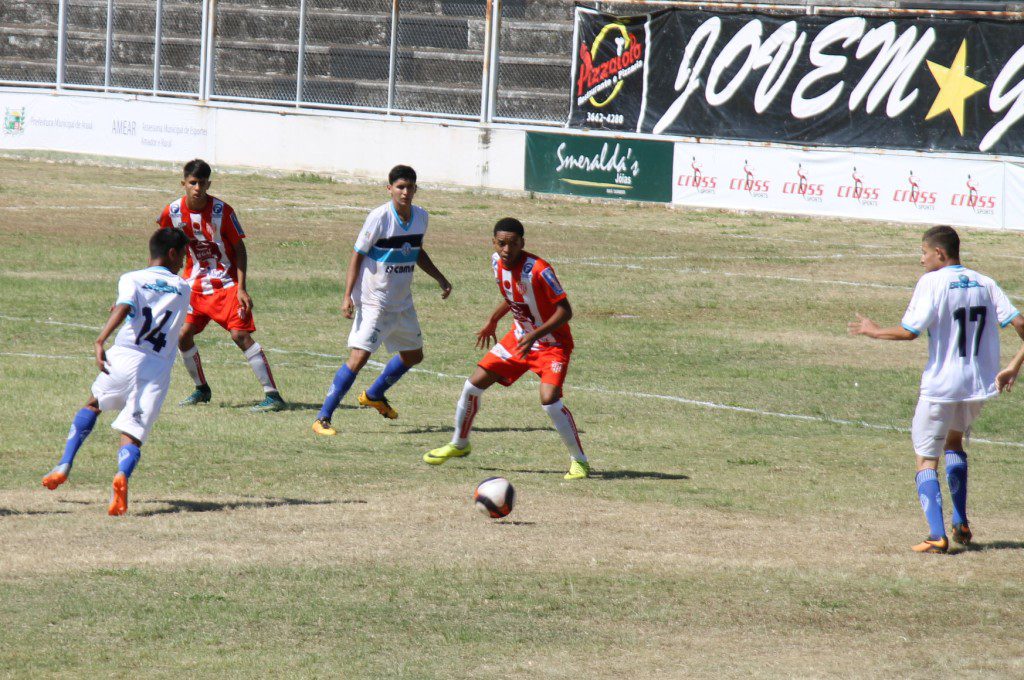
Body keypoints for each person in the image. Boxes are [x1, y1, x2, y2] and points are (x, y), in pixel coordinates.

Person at [849, 225, 1024, 553]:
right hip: (977, 386)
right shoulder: (985, 282)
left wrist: (874, 331)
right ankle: (961, 520)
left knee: (926, 459)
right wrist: (1014, 365)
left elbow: (909, 331)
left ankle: (936, 535)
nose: (921, 259)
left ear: (939, 254)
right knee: (954, 443)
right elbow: (1021, 323)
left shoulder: (931, 282)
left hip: (941, 386)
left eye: (924, 252)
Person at [423, 217, 592, 480]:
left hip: (552, 345)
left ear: (522, 243)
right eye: (501, 243)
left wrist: (535, 334)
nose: (507, 249)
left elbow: (565, 311)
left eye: (513, 244)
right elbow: (513, 296)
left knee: (549, 400)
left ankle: (579, 461)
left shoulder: (540, 270)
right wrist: (493, 320)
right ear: (494, 242)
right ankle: (459, 443)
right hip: (519, 339)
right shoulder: (495, 263)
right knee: (472, 386)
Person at [41, 229, 192, 515]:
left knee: (93, 404)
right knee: (133, 431)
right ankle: (122, 474)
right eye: (182, 256)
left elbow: (126, 306)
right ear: (172, 253)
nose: (183, 262)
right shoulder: (184, 288)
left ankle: (64, 463)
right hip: (157, 366)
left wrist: (100, 340)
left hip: (124, 356)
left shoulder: (131, 278)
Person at [313, 164, 452, 435]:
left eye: (410, 187)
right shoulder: (379, 217)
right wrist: (347, 296)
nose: (405, 192)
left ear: (416, 189)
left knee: (413, 355)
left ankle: (374, 394)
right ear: (389, 189)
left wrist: (440, 278)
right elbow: (357, 255)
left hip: (402, 301)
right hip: (374, 300)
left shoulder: (421, 217)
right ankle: (323, 418)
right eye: (400, 187)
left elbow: (416, 251)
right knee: (359, 358)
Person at [157, 158, 285, 412]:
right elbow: (163, 246)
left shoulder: (222, 211)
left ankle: (273, 395)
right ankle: (201, 389)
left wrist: (242, 287)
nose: (197, 188)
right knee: (182, 334)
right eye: (192, 183)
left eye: (202, 183)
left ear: (209, 184)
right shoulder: (172, 212)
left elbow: (240, 248)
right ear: (183, 183)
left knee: (240, 335)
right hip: (194, 286)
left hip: (226, 285)